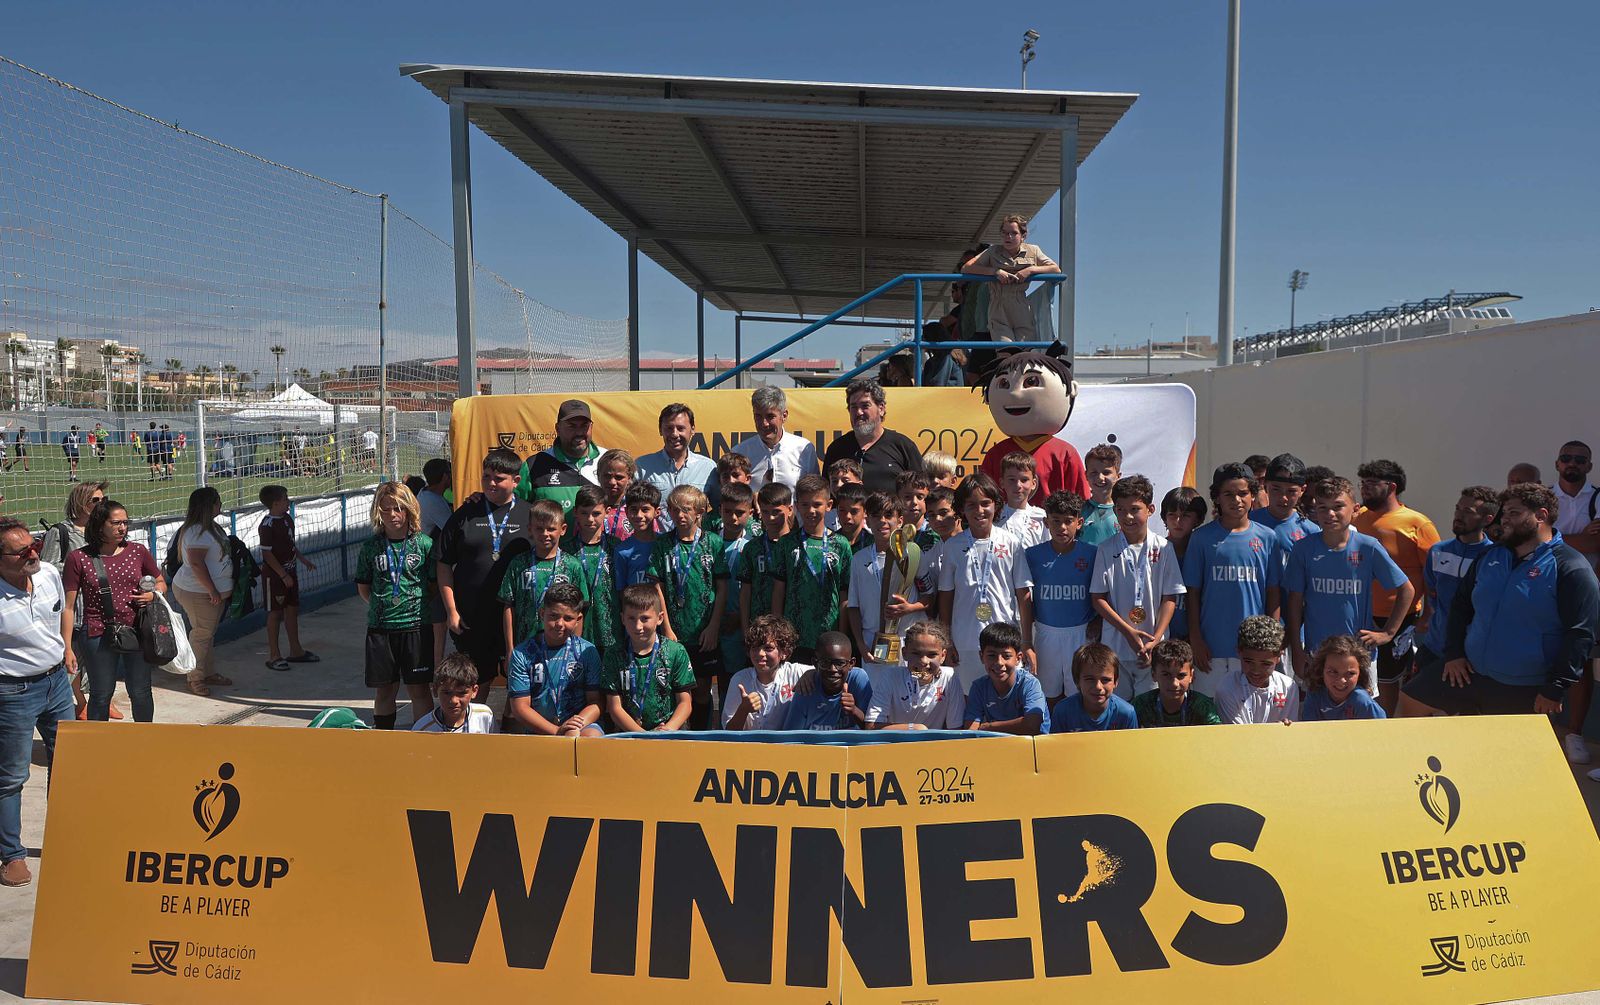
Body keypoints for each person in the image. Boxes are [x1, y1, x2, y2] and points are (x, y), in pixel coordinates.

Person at [1401, 483, 1600, 723]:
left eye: (1514, 513)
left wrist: (1556, 687)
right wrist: (1454, 654)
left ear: (1541, 516)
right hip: (1469, 671)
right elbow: (1461, 606)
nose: (1504, 520)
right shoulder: (1490, 555)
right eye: (1503, 513)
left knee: (1505, 756)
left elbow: (1580, 634)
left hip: (1525, 684)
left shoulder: (1570, 567)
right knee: (1411, 702)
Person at [0, 518, 75, 888]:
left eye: (36, 544)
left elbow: (61, 610)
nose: (34, 553)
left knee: (69, 764)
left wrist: (67, 648)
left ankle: (66, 839)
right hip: (11, 693)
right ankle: (12, 855)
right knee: (12, 777)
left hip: (57, 682)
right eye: (23, 551)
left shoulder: (47, 573)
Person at [1285, 477, 1412, 686]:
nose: (1330, 514)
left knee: (1359, 713)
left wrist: (1387, 633)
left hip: (1359, 654)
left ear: (1355, 509)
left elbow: (1406, 589)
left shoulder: (1368, 547)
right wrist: (1297, 652)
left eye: (1338, 506)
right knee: (1317, 711)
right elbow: (1295, 601)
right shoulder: (1303, 549)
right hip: (1317, 654)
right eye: (1323, 507)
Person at [437, 449, 532, 714]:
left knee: (521, 681)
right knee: (478, 681)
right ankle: (471, 732)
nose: (491, 482)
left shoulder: (530, 514)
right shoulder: (466, 513)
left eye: (499, 478)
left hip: (516, 615)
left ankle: (513, 733)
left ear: (516, 480)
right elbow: (443, 563)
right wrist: (451, 611)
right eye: (486, 476)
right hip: (472, 616)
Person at [61, 499, 165, 722]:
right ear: (99, 525)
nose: (122, 528)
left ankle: (144, 739)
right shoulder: (78, 558)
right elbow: (68, 607)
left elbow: (160, 581)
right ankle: (100, 746)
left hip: (137, 630)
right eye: (116, 523)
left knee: (140, 691)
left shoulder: (137, 551)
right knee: (100, 694)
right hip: (98, 633)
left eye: (125, 523)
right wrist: (67, 647)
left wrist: (153, 594)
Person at [1182, 463, 1281, 697]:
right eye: (1228, 494)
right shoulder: (1201, 538)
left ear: (1253, 495)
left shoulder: (1267, 538)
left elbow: (1273, 591)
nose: (1236, 499)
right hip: (1211, 648)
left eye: (1243, 493)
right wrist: (1195, 638)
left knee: (1249, 717)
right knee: (1210, 716)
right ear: (1216, 497)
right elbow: (1192, 592)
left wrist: (1272, 640)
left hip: (1251, 651)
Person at [1353, 459, 1440, 713]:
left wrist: (1429, 613)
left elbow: (1434, 573)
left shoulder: (1417, 523)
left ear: (1392, 487)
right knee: (1363, 677)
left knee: (1389, 678)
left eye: (1371, 483)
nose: (1365, 488)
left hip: (1400, 618)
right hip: (1363, 615)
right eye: (1363, 483)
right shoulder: (1358, 518)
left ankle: (1389, 726)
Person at [1091, 475, 1186, 700]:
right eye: (1121, 510)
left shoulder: (1164, 548)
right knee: (1120, 711)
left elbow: (1170, 597)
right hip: (1116, 647)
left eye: (1135, 509)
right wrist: (1128, 631)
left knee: (1149, 711)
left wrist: (1156, 638)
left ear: (1150, 509)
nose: (1128, 516)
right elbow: (1098, 598)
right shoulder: (1106, 549)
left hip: (1153, 650)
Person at [937, 472, 1033, 690]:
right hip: (966, 641)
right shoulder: (952, 547)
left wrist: (1026, 642)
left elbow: (1023, 594)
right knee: (968, 697)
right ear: (961, 509)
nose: (979, 511)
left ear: (996, 505)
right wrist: (947, 640)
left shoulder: (1011, 542)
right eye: (971, 505)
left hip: (1005, 638)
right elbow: (945, 597)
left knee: (1007, 696)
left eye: (985, 503)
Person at [353, 482, 436, 729]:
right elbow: (364, 588)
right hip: (381, 628)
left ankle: (423, 739)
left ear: (410, 509)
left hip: (416, 627)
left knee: (419, 690)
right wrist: (382, 606)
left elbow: (432, 586)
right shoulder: (371, 547)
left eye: (399, 508)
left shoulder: (424, 545)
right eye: (386, 509)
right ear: (378, 511)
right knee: (384, 691)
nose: (393, 515)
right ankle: (383, 739)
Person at [648, 485, 727, 729]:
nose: (680, 515)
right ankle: (677, 738)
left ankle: (701, 737)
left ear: (700, 512)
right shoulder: (662, 543)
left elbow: (722, 587)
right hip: (675, 631)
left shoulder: (713, 542)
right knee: (677, 688)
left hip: (704, 631)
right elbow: (657, 587)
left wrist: (714, 626)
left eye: (686, 510)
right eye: (674, 510)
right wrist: (666, 629)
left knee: (702, 688)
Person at [1020, 490, 1099, 705]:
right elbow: (1025, 599)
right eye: (1056, 521)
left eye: (1068, 521)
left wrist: (1098, 621)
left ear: (1079, 522)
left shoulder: (1092, 554)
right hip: (1046, 634)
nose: (1062, 527)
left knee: (1080, 694)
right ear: (1046, 522)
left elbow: (1102, 594)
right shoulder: (1032, 555)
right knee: (1048, 695)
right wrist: (1027, 640)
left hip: (1080, 633)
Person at [40, 482, 110, 719]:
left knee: (101, 658)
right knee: (73, 659)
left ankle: (100, 699)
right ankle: (80, 702)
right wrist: (79, 567)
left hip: (101, 606)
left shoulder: (103, 532)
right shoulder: (60, 532)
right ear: (80, 503)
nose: (101, 504)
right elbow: (46, 569)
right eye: (95, 501)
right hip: (73, 608)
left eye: (103, 500)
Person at [1549, 441, 1600, 762]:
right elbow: (1528, 538)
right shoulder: (1543, 497)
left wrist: (1552, 536)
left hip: (1586, 590)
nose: (1572, 464)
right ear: (1557, 463)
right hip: (1542, 588)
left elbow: (1543, 539)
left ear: (1589, 467)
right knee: (1537, 655)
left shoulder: (1598, 497)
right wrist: (1583, 538)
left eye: (1579, 460)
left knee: (1580, 661)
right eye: (1567, 458)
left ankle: (1575, 733)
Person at [770, 474, 853, 665]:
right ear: (796, 506)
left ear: (829, 505)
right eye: (805, 504)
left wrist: (842, 633)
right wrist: (777, 630)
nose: (811, 510)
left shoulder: (841, 544)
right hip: (793, 635)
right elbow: (778, 590)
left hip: (829, 634)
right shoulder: (786, 543)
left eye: (817, 504)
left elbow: (844, 594)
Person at [506, 582, 603, 737]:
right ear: (542, 613)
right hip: (538, 729)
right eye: (554, 616)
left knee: (591, 737)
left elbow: (596, 702)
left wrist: (574, 725)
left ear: (578, 619)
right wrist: (557, 731)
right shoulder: (521, 654)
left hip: (578, 727)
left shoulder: (587, 652)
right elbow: (519, 708)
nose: (560, 624)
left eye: (568, 618)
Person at [1418, 487, 1499, 672]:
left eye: (1468, 512)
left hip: (1472, 657)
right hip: (1434, 648)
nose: (1458, 515)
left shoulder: (1494, 558)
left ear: (1488, 519)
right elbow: (1433, 596)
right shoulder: (1438, 551)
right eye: (1458, 509)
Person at [847, 491, 929, 674]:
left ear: (900, 521)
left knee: (910, 695)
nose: (882, 521)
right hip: (872, 642)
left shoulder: (913, 554)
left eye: (888, 515)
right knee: (877, 699)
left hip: (908, 640)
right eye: (876, 516)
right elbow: (853, 606)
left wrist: (910, 608)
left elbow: (930, 596)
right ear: (867, 521)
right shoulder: (859, 559)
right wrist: (861, 645)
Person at [499, 499, 588, 660]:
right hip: (524, 647)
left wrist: (575, 650)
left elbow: (579, 611)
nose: (545, 534)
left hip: (562, 649)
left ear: (563, 529)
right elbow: (508, 606)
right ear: (530, 529)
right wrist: (510, 649)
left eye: (551, 529)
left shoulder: (572, 565)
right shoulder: (519, 563)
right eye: (539, 529)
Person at [602, 582, 694, 732]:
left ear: (659, 618)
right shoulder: (614, 654)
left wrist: (667, 730)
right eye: (631, 618)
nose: (638, 626)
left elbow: (685, 702)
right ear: (623, 618)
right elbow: (614, 707)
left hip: (669, 734)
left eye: (645, 619)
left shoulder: (675, 652)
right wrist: (644, 736)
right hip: (629, 734)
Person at [169, 487, 234, 698]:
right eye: (217, 502)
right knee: (201, 634)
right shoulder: (197, 531)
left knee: (207, 634)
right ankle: (195, 678)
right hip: (198, 592)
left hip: (208, 592)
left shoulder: (209, 528)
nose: (220, 506)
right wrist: (212, 589)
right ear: (208, 506)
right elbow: (196, 563)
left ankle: (208, 672)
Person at [960, 214, 1059, 347]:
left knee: (1024, 353)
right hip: (998, 307)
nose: (1009, 237)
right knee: (1006, 352)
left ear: (1023, 236)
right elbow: (966, 268)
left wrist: (1031, 270)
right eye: (1005, 233)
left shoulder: (1033, 251)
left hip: (1021, 306)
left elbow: (1055, 269)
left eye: (1014, 233)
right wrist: (995, 272)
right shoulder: (993, 251)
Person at [820, 378, 923, 497]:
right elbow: (826, 497)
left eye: (865, 406)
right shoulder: (837, 449)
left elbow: (921, 491)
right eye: (853, 407)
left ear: (881, 409)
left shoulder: (902, 446)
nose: (859, 412)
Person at [258, 485, 318, 672]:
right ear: (275, 503)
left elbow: (291, 545)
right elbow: (267, 555)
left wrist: (302, 559)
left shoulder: (287, 519)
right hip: (275, 577)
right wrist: (283, 575)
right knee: (275, 613)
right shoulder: (267, 525)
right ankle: (274, 655)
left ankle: (296, 650)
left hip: (290, 573)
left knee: (292, 609)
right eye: (285, 499)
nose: (288, 502)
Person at [869, 620, 964, 730]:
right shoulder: (890, 677)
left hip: (932, 745)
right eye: (916, 654)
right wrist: (913, 729)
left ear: (943, 656)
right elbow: (871, 726)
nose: (924, 661)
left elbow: (956, 730)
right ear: (904, 653)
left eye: (932, 654)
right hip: (895, 744)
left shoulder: (950, 678)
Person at [517, 399, 606, 514]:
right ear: (558, 429)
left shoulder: (606, 460)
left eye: (584, 426)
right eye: (572, 426)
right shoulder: (534, 464)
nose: (579, 432)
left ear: (592, 427)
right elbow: (516, 511)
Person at [563, 485, 620, 660]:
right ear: (575, 513)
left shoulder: (617, 547)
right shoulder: (566, 550)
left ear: (607, 512)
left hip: (612, 628)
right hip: (578, 628)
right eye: (584, 513)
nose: (590, 519)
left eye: (596, 513)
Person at [636, 403, 719, 520]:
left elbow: (719, 510)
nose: (674, 434)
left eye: (680, 428)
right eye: (669, 428)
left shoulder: (708, 467)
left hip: (697, 538)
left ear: (692, 430)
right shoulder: (642, 466)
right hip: (655, 538)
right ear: (660, 430)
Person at [723, 613, 806, 730]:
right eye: (755, 648)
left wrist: (810, 674)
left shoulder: (796, 673)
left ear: (784, 652)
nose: (760, 654)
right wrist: (743, 709)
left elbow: (827, 674)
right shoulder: (739, 679)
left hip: (787, 746)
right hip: (751, 746)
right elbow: (729, 732)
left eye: (768, 648)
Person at [712, 482, 757, 697]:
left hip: (740, 624)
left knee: (738, 683)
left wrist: (740, 616)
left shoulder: (754, 545)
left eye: (740, 513)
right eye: (727, 512)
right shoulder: (708, 541)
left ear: (750, 512)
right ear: (720, 509)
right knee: (715, 683)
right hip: (712, 623)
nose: (733, 518)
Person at [964, 622, 1048, 734]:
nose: (999, 662)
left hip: (1032, 747)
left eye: (1006, 656)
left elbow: (1032, 725)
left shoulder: (1029, 684)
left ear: (1018, 658)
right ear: (981, 656)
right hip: (997, 747)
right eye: (991, 655)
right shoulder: (979, 687)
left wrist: (989, 727)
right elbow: (970, 730)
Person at [1214, 616, 1300, 724]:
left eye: (1265, 664)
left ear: (1279, 657)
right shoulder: (1227, 688)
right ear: (1239, 652)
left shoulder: (1288, 687)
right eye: (1249, 662)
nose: (1256, 671)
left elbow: (1289, 731)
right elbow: (1237, 736)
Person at [733, 386, 820, 492]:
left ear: (784, 416)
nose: (764, 424)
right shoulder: (740, 452)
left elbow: (815, 494)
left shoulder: (804, 449)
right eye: (758, 416)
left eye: (770, 416)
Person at [782, 631, 873, 730]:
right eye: (825, 662)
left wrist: (854, 710)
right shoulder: (807, 686)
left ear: (851, 663)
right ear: (815, 663)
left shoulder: (858, 679)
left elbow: (872, 729)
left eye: (840, 663)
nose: (833, 669)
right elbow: (791, 738)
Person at [739, 481, 793, 638]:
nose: (770, 517)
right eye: (765, 512)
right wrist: (745, 630)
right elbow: (745, 592)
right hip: (759, 628)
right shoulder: (752, 548)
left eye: (776, 512)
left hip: (792, 626)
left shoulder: (797, 546)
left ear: (789, 510)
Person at [1050, 641, 1138, 732]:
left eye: (1105, 680)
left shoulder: (1126, 714)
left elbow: (1131, 746)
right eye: (1090, 679)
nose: (1098, 686)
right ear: (1077, 680)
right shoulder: (1063, 711)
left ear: (1115, 682)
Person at [1132, 639, 1221, 727]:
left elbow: (1217, 736)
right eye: (1166, 675)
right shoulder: (1140, 706)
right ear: (1153, 675)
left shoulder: (1204, 707)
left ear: (1191, 676)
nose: (1175, 683)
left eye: (1181, 675)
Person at [1160, 487, 1207, 641]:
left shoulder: (1204, 553)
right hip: (1161, 638)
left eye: (1185, 516)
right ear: (1164, 517)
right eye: (1172, 515)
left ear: (1198, 519)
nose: (1177, 521)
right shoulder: (1155, 552)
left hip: (1197, 640)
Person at [1300, 635, 1386, 720]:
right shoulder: (1315, 695)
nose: (1341, 681)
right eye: (1333, 672)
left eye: (1350, 673)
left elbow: (1382, 729)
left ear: (1360, 673)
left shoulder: (1362, 701)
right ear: (1321, 670)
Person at [411, 653, 498, 734]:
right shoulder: (422, 729)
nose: (453, 700)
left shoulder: (485, 716)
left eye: (462, 693)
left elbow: (495, 747)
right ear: (435, 690)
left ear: (474, 691)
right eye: (447, 693)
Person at [610, 482, 661, 600]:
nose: (639, 515)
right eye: (634, 509)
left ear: (657, 512)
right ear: (626, 512)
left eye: (645, 509)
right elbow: (621, 591)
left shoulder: (666, 544)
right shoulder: (622, 550)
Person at [997, 452, 1047, 547]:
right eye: (1012, 480)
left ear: (1033, 483)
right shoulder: (995, 517)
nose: (1018, 485)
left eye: (1024, 480)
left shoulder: (1042, 517)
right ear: (1002, 482)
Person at [1079, 444, 1122, 547]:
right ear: (1086, 475)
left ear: (1118, 476)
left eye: (1106, 472)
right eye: (1094, 473)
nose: (1100, 478)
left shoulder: (1124, 512)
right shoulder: (1078, 511)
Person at [596, 449, 637, 539]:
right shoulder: (590, 509)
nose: (612, 482)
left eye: (619, 477)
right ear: (598, 475)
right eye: (607, 476)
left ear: (629, 478)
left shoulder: (637, 510)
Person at [417, 458, 453, 538]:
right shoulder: (434, 502)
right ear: (445, 476)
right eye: (451, 473)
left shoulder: (424, 492)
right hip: (430, 548)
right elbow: (453, 529)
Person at [833, 483, 871, 555]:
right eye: (842, 510)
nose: (848, 516)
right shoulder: (829, 543)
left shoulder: (872, 543)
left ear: (865, 512)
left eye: (854, 511)